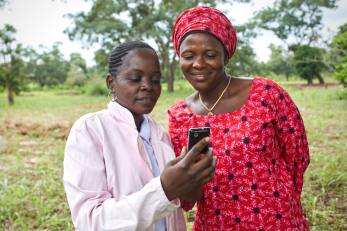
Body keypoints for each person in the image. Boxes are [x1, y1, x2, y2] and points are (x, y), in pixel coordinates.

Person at [168, 6, 310, 231]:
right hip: (216, 224)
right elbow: (189, 196)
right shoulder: (179, 115)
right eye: (188, 56)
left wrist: (279, 198)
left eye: (210, 55)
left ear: (226, 55)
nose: (198, 64)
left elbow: (297, 157)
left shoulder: (267, 93)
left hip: (276, 220)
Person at [63, 41, 217, 231]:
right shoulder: (90, 130)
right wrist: (164, 190)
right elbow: (90, 221)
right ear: (111, 83)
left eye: (155, 80)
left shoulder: (159, 135)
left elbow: (185, 200)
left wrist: (193, 177)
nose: (148, 87)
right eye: (135, 78)